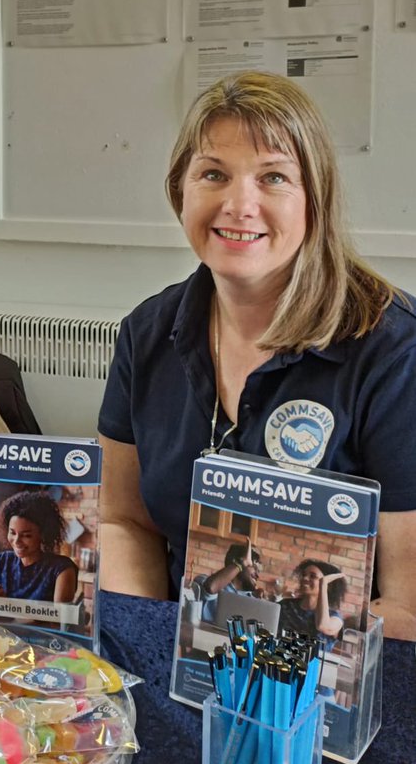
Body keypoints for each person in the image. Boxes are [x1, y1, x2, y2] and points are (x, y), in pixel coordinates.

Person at [98, 71, 416, 641]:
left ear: (314, 200)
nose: (239, 204)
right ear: (181, 191)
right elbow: (125, 521)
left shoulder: (395, 351)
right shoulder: (146, 333)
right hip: (183, 659)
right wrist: (146, 647)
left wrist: (275, 666)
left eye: (273, 178)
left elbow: (409, 603)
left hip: (332, 689)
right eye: (213, 174)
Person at [0, 487, 78, 603]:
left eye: (26, 535)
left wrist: (5, 605)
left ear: (43, 534)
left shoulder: (61, 569)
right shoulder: (2, 562)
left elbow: (58, 620)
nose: (17, 541)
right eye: (12, 532)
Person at [191, 537, 265, 623]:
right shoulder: (203, 580)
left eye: (258, 570)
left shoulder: (253, 600)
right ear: (236, 562)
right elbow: (211, 587)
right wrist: (242, 563)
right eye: (254, 567)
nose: (257, 575)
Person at [278, 558, 346, 644]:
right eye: (303, 575)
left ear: (328, 586)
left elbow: (322, 625)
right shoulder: (286, 605)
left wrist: (323, 583)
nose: (305, 578)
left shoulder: (335, 618)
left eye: (313, 576)